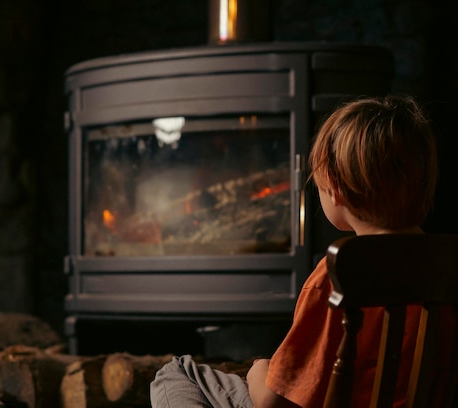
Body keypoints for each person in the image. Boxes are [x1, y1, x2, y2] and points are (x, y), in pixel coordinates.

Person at [150, 94, 440, 408]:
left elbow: (275, 401)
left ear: (335, 187)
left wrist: (259, 371)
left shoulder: (340, 274)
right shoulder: (455, 270)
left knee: (177, 372)